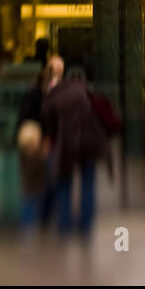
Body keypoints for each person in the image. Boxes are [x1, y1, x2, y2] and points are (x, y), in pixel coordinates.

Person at [41, 57, 107, 238]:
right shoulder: (86, 92)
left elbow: (47, 116)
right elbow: (102, 113)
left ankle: (64, 224)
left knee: (64, 183)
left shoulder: (56, 94)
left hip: (66, 143)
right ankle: (86, 225)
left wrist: (51, 138)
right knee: (88, 184)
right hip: (88, 142)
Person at [18, 55, 62, 229]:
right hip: (34, 146)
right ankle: (31, 223)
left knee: (40, 186)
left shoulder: (40, 94)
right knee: (35, 188)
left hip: (39, 145)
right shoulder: (38, 95)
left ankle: (37, 222)